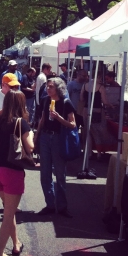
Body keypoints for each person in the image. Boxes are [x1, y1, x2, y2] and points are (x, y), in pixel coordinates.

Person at [0, 90, 33, 256]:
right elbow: (30, 148)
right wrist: (33, 136)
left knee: (8, 210)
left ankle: (16, 243)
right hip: (12, 170)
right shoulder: (21, 123)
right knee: (8, 214)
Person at [35, 78, 76, 218]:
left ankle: (62, 206)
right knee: (44, 174)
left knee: (60, 174)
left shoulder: (66, 102)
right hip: (45, 138)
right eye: (47, 86)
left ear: (58, 88)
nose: (48, 89)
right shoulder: (46, 100)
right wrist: (36, 136)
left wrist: (58, 118)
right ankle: (50, 204)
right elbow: (42, 119)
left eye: (51, 87)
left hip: (59, 138)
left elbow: (73, 124)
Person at [81, 73, 110, 160]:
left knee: (88, 132)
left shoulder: (84, 86)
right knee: (97, 132)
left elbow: (81, 99)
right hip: (97, 111)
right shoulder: (101, 87)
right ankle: (99, 153)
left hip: (86, 110)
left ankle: (89, 153)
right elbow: (105, 102)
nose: (101, 80)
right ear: (97, 77)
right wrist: (110, 105)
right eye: (100, 78)